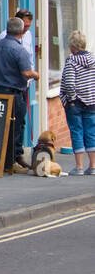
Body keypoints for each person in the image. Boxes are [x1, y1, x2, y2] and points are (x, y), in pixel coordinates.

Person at [0, 16, 40, 173]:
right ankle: (11, 161)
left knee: (0, 126)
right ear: (20, 31)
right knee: (16, 126)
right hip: (14, 92)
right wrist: (36, 75)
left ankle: (7, 158)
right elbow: (26, 73)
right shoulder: (20, 50)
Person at [59, 29, 95, 176]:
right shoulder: (93, 60)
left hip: (76, 104)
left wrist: (72, 100)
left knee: (77, 132)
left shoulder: (71, 61)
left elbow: (69, 83)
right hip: (92, 102)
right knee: (91, 133)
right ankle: (93, 166)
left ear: (73, 47)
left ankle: (79, 166)